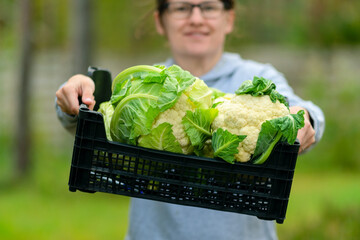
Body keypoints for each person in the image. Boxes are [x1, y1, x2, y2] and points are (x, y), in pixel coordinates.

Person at [56, 0, 325, 239]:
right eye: (182, 8)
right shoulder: (143, 82)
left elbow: (308, 112)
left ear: (228, 18)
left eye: (208, 7)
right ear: (160, 21)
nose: (196, 18)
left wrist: (303, 118)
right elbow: (96, 122)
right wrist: (77, 97)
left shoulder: (259, 77)